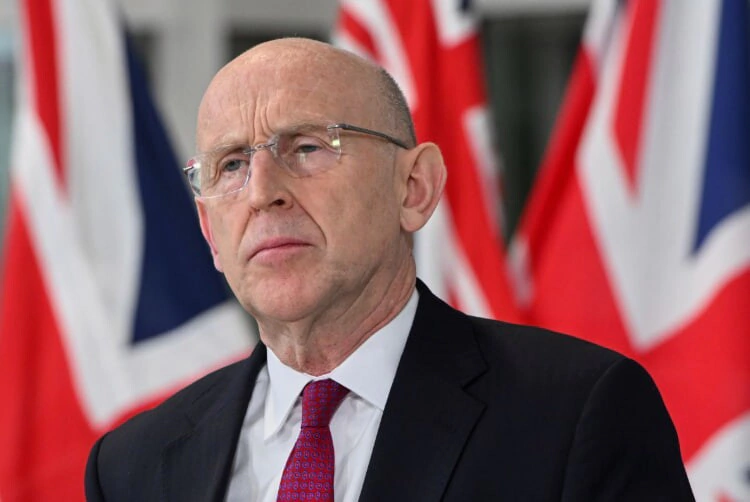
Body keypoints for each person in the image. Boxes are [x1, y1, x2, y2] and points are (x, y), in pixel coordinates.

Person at [84, 38, 694, 501]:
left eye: (307, 147)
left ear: (414, 187)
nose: (262, 193)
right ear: (208, 234)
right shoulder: (132, 467)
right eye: (231, 166)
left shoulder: (576, 415)